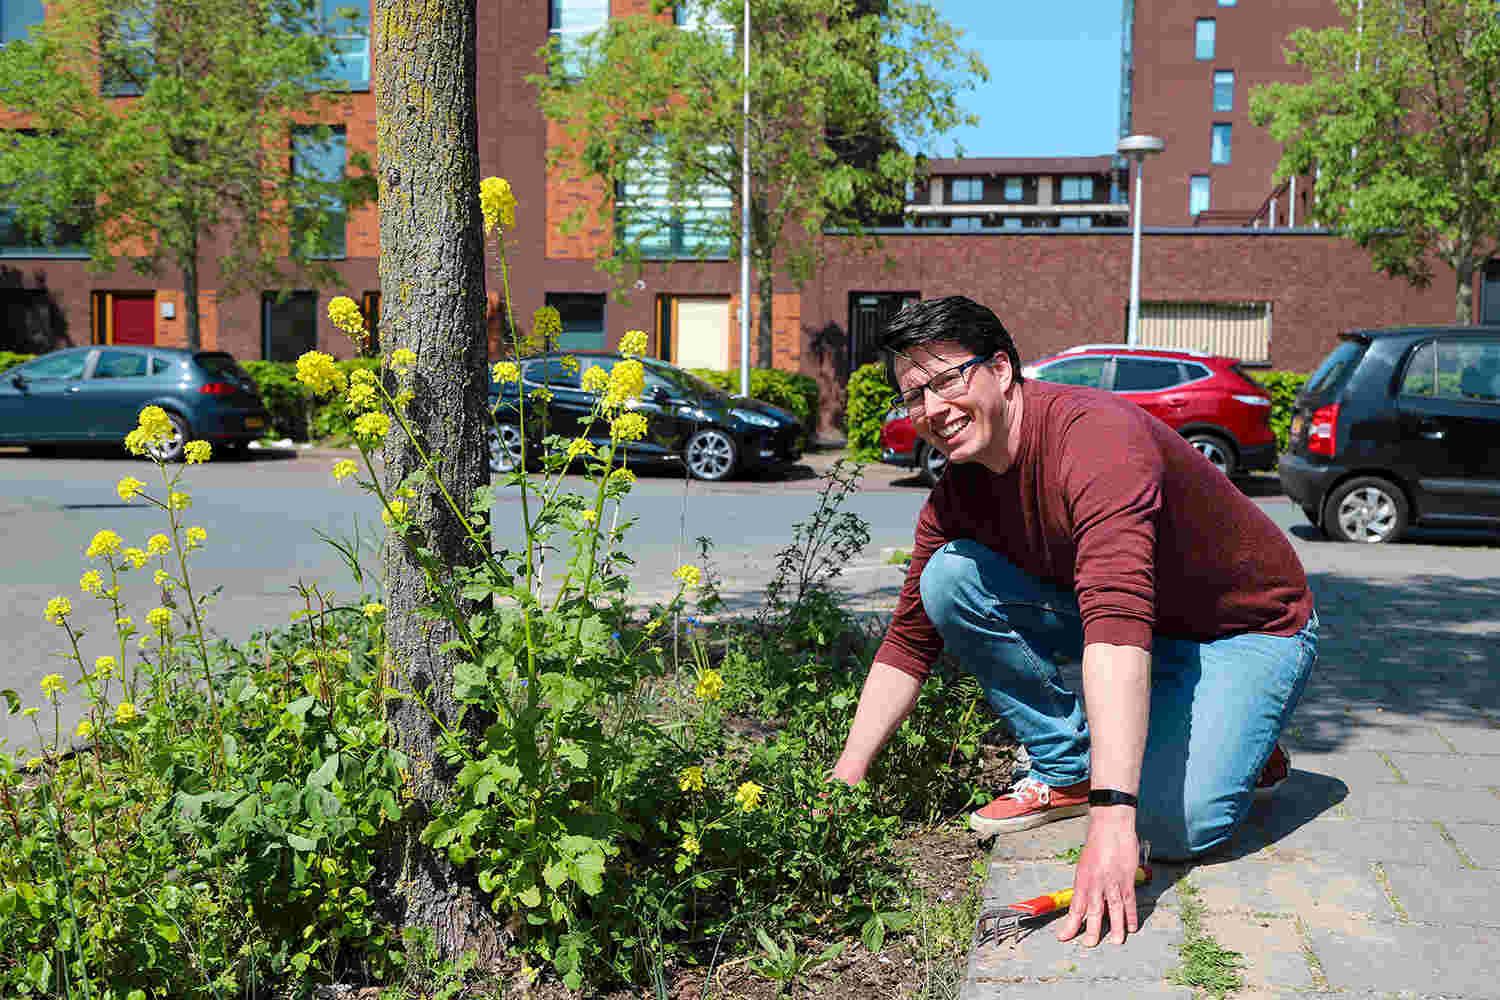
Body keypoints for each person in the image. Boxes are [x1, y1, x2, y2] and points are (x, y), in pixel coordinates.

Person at [830, 296, 1317, 948]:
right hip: (1145, 628)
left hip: (1243, 626)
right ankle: (1068, 769)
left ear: (1001, 370)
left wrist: (1113, 819)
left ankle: (1235, 734)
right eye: (913, 396)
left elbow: (1116, 623)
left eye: (947, 380)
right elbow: (908, 642)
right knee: (947, 578)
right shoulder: (960, 491)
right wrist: (845, 776)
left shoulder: (1095, 441)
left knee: (1171, 829)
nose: (933, 410)